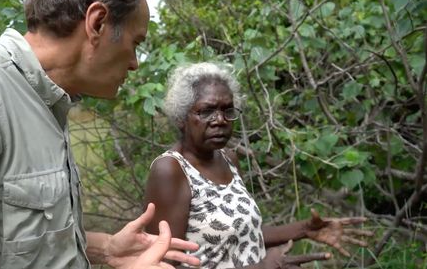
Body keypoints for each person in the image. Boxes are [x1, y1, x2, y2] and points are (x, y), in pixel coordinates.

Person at [0, 0, 200, 268]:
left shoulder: (48, 101)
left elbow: (9, 240)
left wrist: (105, 249)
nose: (134, 63)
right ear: (97, 23)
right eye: (135, 42)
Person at [144, 62, 374, 268]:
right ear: (181, 118)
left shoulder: (228, 159)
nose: (220, 120)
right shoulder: (170, 170)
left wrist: (305, 230)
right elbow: (162, 264)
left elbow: (241, 235)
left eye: (227, 110)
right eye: (207, 111)